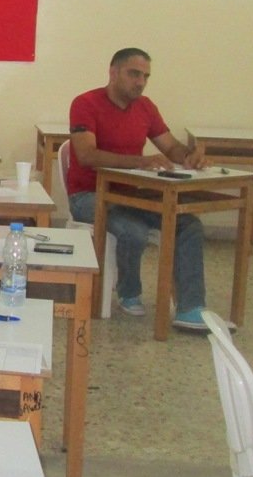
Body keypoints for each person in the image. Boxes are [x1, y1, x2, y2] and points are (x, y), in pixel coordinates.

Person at [65, 47, 209, 331]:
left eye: (145, 76)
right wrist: (141, 161)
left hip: (132, 195)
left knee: (189, 224)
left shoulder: (146, 107)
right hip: (89, 196)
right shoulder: (86, 103)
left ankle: (190, 308)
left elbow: (170, 146)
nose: (140, 82)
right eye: (134, 74)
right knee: (133, 230)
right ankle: (128, 291)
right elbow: (86, 155)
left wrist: (190, 155)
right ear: (113, 72)